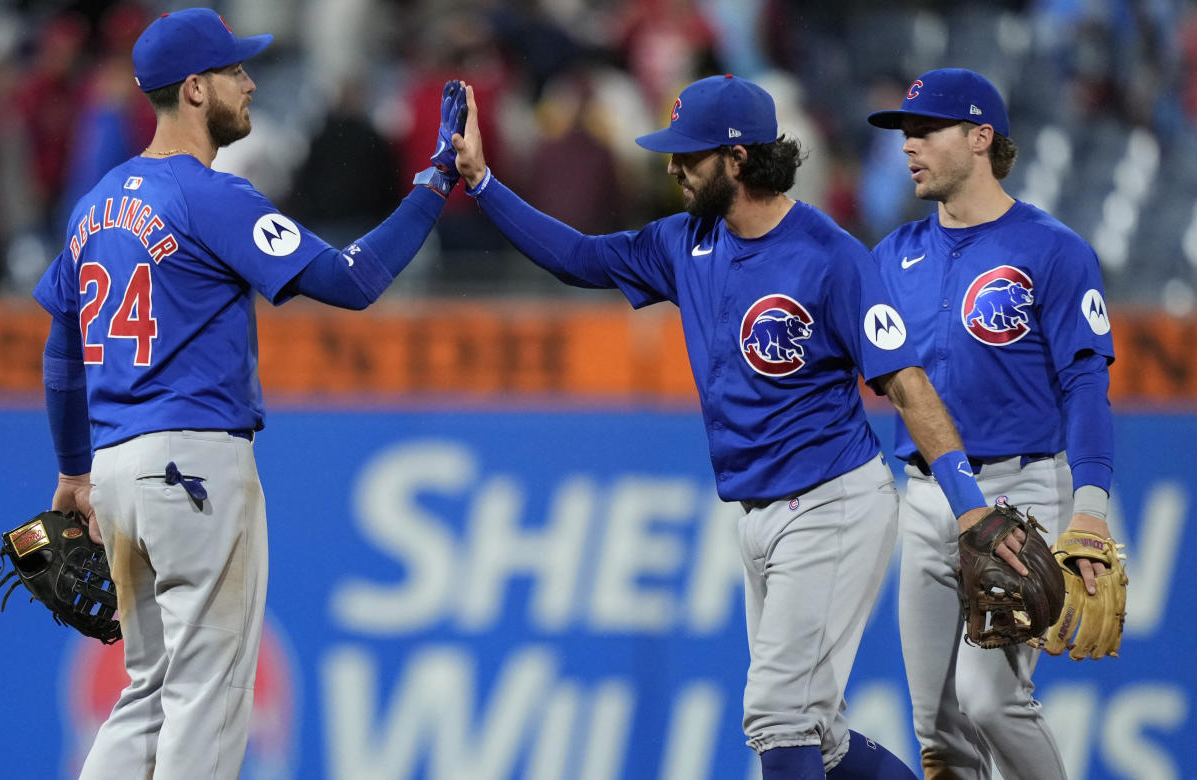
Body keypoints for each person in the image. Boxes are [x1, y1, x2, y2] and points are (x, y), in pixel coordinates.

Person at [451, 73, 1024, 780]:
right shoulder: (683, 242)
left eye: (689, 156)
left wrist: (971, 510)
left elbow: (906, 384)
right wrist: (481, 184)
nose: (672, 168)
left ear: (739, 159)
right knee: (822, 738)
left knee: (778, 715)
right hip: (756, 515)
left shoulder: (829, 255)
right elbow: (579, 258)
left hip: (831, 504)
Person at [32, 8, 466, 779]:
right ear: (194, 89)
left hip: (117, 471)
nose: (250, 82)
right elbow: (354, 280)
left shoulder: (94, 205)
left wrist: (72, 472)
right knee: (211, 686)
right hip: (192, 463)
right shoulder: (209, 196)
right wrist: (434, 184)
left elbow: (62, 349)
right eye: (235, 72)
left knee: (148, 691)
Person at [867, 68, 1117, 780]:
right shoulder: (892, 257)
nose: (908, 146)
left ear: (981, 138)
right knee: (938, 727)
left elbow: (1086, 382)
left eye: (925, 131)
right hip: (923, 495)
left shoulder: (1053, 249)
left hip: (1020, 495)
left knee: (992, 699)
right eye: (904, 133)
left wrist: (1090, 513)